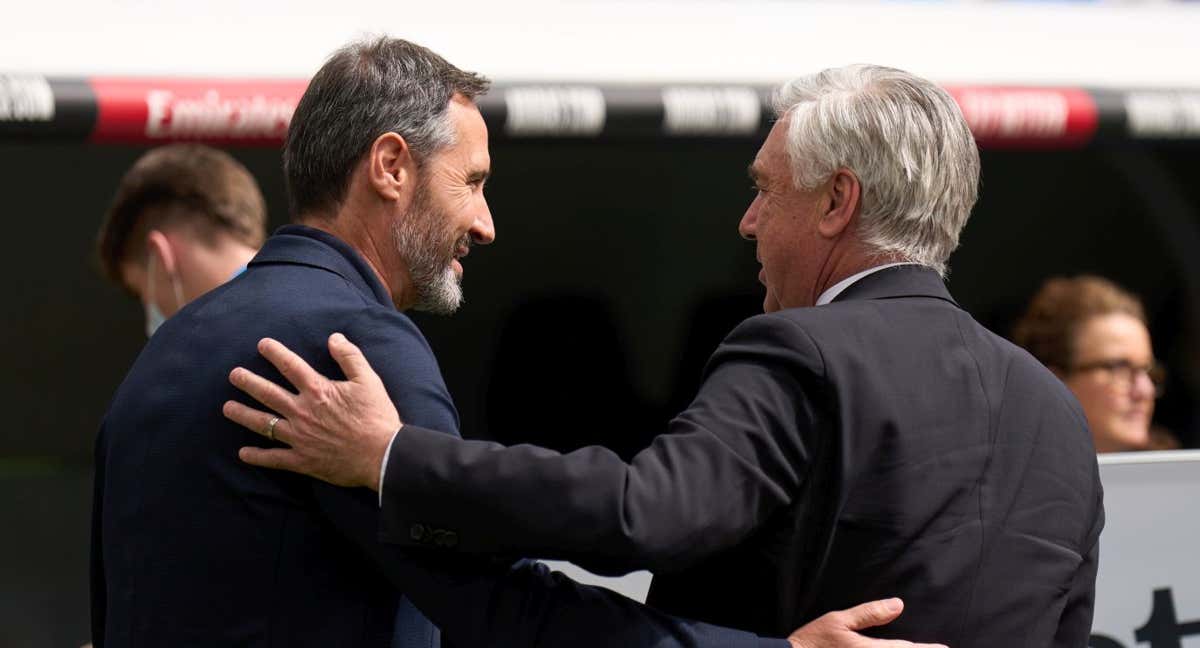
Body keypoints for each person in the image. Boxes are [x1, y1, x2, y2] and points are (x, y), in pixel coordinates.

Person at [92, 37, 937, 648]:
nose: (488, 224)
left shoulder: (158, 360)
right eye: (474, 182)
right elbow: (495, 609)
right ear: (391, 167)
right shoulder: (356, 346)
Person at [226, 64, 1106, 647]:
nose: (748, 221)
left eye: (765, 190)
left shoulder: (801, 348)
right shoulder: (1057, 414)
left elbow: (644, 516)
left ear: (838, 201)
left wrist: (391, 459)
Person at [95, 143, 266, 336]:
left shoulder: (219, 352)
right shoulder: (301, 297)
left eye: (142, 294)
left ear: (159, 257)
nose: (151, 314)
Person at [1013, 275, 1174, 452]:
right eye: (1119, 368)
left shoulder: (1181, 475)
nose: (1145, 391)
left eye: (1147, 371)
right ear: (1054, 383)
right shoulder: (1006, 475)